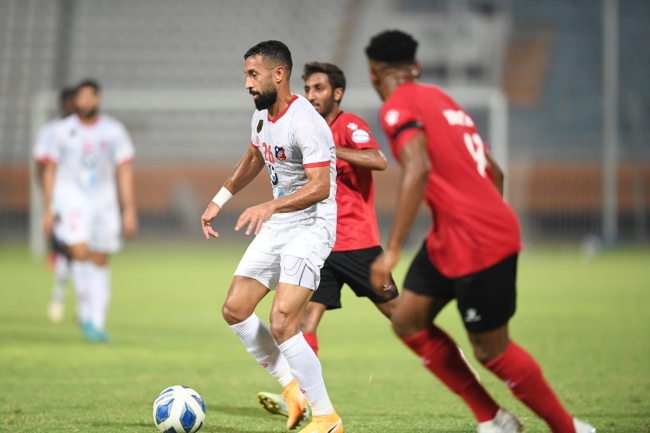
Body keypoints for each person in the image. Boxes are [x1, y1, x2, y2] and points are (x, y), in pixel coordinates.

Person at [365, 30, 596, 433]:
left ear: (373, 74)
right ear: (416, 67)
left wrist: (393, 248)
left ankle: (568, 429)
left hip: (476, 239)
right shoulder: (444, 101)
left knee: (491, 350)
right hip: (454, 235)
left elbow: (417, 167)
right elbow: (495, 171)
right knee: (407, 320)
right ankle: (493, 418)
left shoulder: (397, 105)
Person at [200, 41, 343, 433]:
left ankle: (327, 418)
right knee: (235, 309)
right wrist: (219, 200)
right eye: (246, 75)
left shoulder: (306, 121)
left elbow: (321, 187)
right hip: (280, 221)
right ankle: (292, 389)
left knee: (282, 321)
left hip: (312, 225)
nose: (247, 83)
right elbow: (253, 158)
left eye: (253, 75)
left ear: (278, 74)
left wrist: (269, 206)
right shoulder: (261, 116)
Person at [256, 61, 400, 422]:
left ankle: (458, 364)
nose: (311, 95)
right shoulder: (305, 127)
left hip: (358, 244)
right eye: (307, 89)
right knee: (304, 321)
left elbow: (378, 159)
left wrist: (333, 149)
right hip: (320, 243)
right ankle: (305, 400)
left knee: (401, 316)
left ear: (337, 93)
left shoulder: (348, 125)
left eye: (318, 88)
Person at [42, 79, 138, 343]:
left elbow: (124, 171)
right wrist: (49, 207)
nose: (85, 102)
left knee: (100, 258)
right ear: (75, 101)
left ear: (98, 99)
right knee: (79, 251)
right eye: (80, 97)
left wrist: (129, 210)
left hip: (104, 200)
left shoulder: (113, 130)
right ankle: (85, 313)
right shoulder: (61, 131)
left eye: (89, 97)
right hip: (73, 199)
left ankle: (96, 322)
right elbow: (49, 170)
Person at [32, 87, 77, 323]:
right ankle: (59, 293)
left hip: (88, 200)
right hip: (62, 197)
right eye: (68, 102)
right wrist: (47, 198)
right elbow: (41, 166)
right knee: (67, 248)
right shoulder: (51, 131)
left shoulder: (92, 131)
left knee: (85, 251)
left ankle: (82, 301)